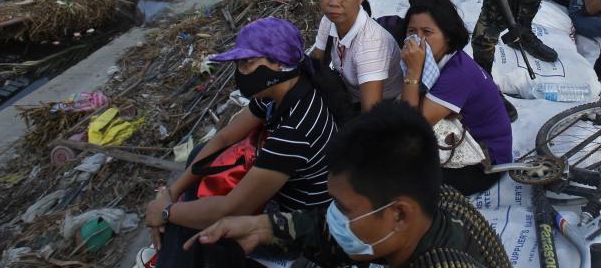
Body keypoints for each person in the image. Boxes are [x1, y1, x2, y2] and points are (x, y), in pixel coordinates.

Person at [186, 102, 507, 268]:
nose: (334, 217)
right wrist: (264, 227)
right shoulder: (432, 204)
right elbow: (337, 231)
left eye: (344, 209)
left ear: (398, 215)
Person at [144, 17, 335, 267]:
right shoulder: (277, 92)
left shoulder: (295, 130)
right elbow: (225, 137)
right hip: (279, 196)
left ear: (278, 63)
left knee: (192, 227)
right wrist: (171, 193)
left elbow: (230, 209)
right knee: (201, 156)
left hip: (295, 231)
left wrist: (166, 212)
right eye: (239, 64)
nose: (240, 72)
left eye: (248, 63)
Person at [400, 0, 512, 195]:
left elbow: (411, 128)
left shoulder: (458, 74)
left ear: (448, 36)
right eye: (411, 31)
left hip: (482, 163)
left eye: (427, 32)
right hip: (460, 139)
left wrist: (412, 72)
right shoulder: (441, 61)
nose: (417, 40)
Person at [312, 0, 403, 112]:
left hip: (385, 104)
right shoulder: (329, 20)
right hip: (351, 94)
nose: (334, 2)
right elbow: (316, 64)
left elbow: (370, 114)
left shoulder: (371, 44)